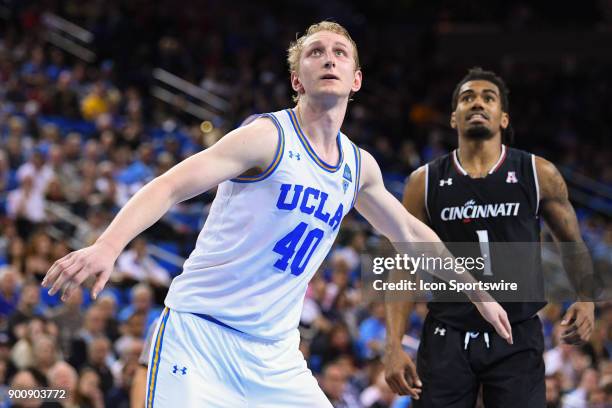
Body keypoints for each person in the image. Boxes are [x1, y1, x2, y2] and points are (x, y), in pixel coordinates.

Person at [43, 24, 511, 407]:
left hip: (275, 357)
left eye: (340, 53)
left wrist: (479, 294)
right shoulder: (266, 137)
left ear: (356, 80)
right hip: (201, 335)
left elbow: (411, 233)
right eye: (315, 53)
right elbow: (169, 186)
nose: (328, 58)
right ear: (296, 80)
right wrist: (108, 244)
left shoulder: (357, 166)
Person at [384, 67, 596, 407]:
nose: (477, 103)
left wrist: (586, 298)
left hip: (517, 333)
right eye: (467, 98)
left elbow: (572, 241)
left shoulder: (537, 173)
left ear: (504, 118)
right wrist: (393, 345)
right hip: (446, 336)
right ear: (453, 118)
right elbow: (403, 265)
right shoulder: (423, 183)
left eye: (488, 98)